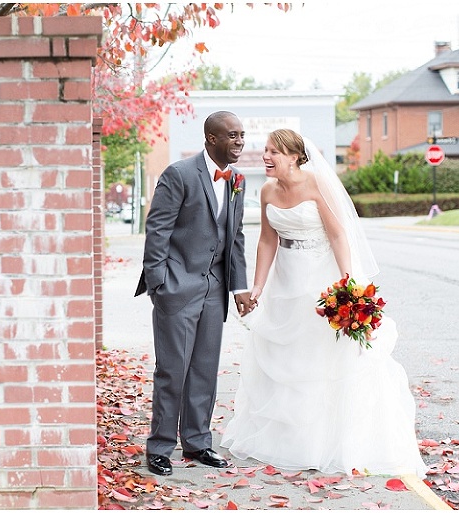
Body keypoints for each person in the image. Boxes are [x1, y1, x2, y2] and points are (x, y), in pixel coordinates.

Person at [220, 128, 427, 478]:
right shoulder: (267, 189)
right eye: (265, 150)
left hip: (320, 279)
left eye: (273, 152)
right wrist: (257, 286)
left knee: (320, 358)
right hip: (285, 281)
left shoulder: (317, 183)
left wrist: (348, 283)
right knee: (287, 358)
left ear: (294, 156)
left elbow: (337, 233)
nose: (265, 157)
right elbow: (268, 241)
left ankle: (323, 441)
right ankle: (288, 439)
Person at [134, 111, 255, 476]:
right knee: (172, 370)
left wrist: (238, 287)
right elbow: (157, 232)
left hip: (214, 290)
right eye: (232, 135)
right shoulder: (179, 174)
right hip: (177, 287)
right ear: (211, 139)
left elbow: (235, 236)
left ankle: (198, 443)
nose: (239, 142)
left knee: (204, 369)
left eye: (242, 134)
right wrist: (159, 285)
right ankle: (159, 447)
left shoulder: (237, 180)